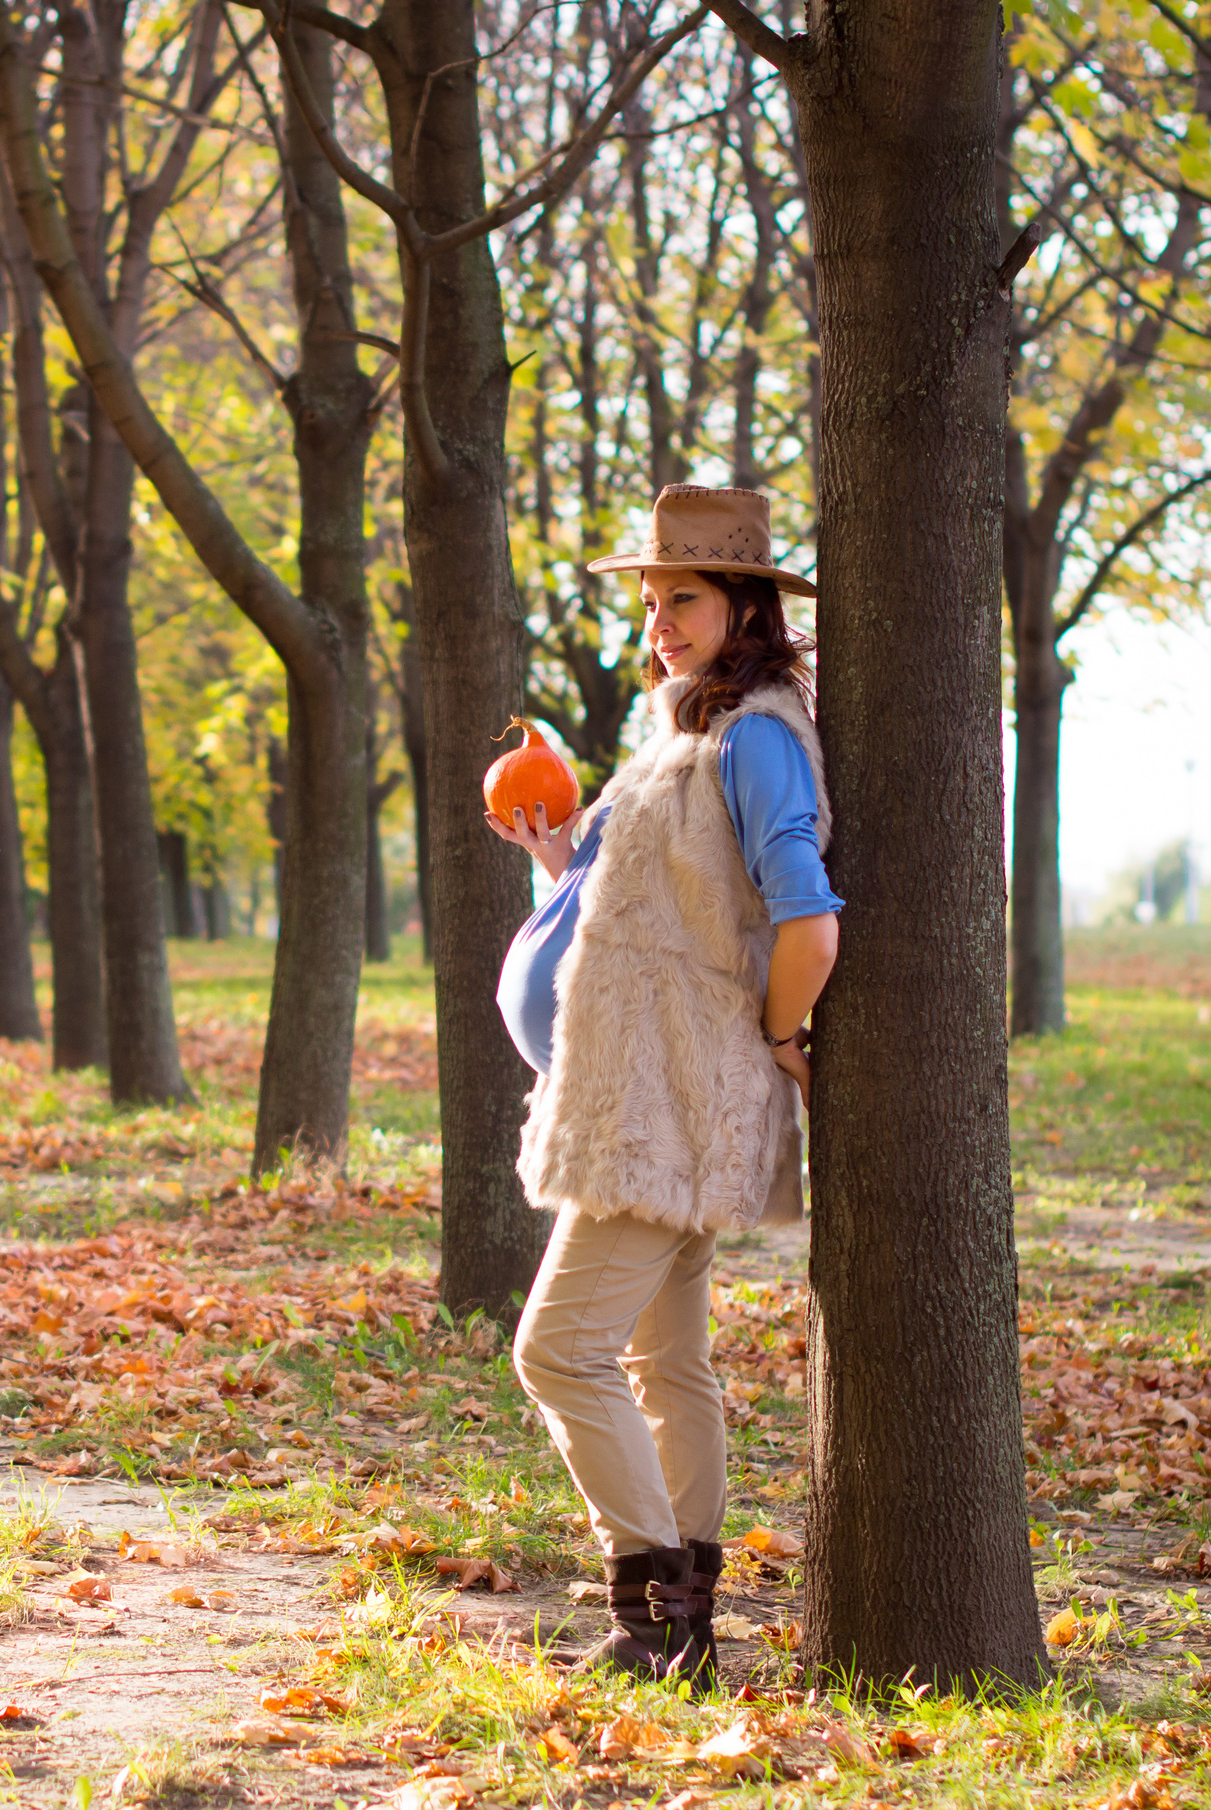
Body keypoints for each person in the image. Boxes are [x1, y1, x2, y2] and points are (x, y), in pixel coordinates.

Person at [486, 484, 841, 1691]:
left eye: (681, 598)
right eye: (650, 602)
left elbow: (806, 918)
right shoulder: (688, 730)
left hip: (664, 1109)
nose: (660, 622)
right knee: (662, 1361)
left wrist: (783, 1034)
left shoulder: (754, 740)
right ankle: (684, 1628)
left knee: (555, 1352)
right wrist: (558, 858)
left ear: (745, 603)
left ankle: (648, 1615)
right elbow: (652, 904)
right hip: (636, 1096)